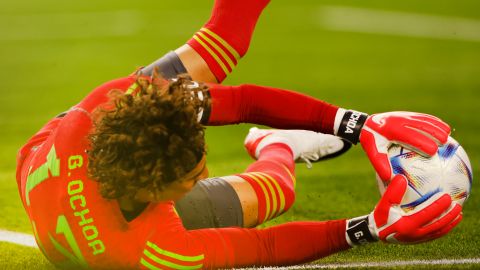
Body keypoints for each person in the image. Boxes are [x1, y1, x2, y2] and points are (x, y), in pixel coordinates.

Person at [16, 0, 462, 269]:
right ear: (156, 192)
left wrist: (358, 123)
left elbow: (243, 101)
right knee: (275, 194)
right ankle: (277, 144)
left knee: (225, 39)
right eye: (192, 177)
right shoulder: (150, 249)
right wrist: (367, 229)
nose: (205, 172)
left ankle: (278, 140)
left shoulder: (112, 106)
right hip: (105, 223)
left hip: (59, 145)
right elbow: (263, 245)